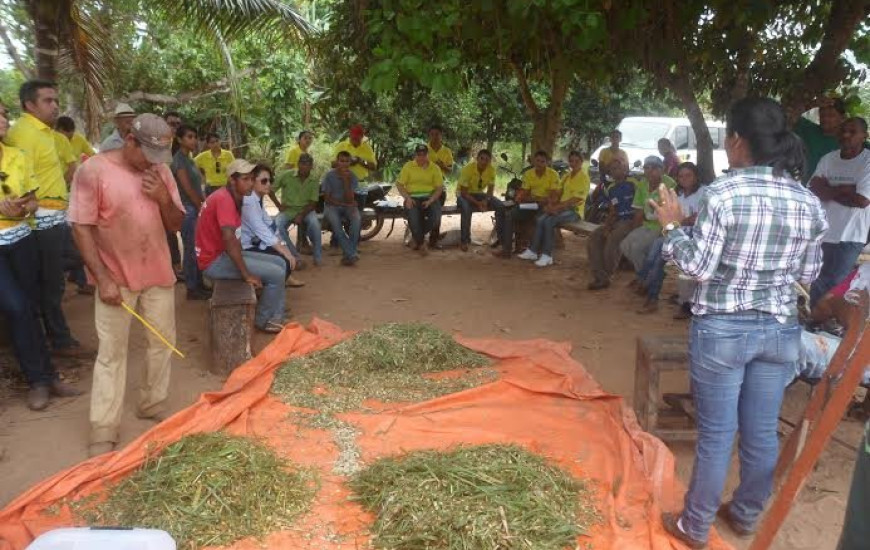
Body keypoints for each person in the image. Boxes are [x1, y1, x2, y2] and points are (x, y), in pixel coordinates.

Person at [650, 97, 828, 549]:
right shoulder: (807, 200)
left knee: (716, 434)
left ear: (735, 141)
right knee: (761, 432)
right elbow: (809, 273)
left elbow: (697, 268)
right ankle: (746, 514)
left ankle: (694, 526)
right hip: (780, 330)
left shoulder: (723, 194)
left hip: (723, 330)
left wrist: (671, 228)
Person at [69, 114, 184, 457]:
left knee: (162, 342)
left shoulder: (161, 172)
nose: (154, 163)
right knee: (111, 354)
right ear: (130, 141)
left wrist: (163, 198)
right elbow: (81, 227)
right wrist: (102, 278)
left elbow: (176, 224)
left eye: (159, 157)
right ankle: (104, 426)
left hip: (158, 274)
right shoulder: (93, 171)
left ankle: (152, 403)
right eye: (149, 154)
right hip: (115, 279)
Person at [0, 103, 81, 411]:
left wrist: (22, 208)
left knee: (32, 308)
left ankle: (48, 378)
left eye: (4, 113)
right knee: (17, 307)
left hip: (22, 239)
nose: (3, 119)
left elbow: (33, 202)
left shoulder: (16, 156)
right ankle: (37, 379)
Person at [5, 80, 87, 357]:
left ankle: (54, 335)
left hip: (55, 216)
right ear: (29, 105)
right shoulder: (23, 134)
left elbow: (65, 168)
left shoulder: (46, 133)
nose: (55, 106)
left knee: (58, 274)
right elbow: (16, 180)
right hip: (38, 219)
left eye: (56, 100)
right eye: (47, 101)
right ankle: (59, 340)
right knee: (51, 282)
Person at [195, 158, 288, 333]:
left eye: (252, 179)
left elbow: (233, 240)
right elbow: (229, 239)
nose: (250, 183)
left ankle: (276, 314)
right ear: (232, 180)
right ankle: (263, 320)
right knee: (276, 273)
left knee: (280, 263)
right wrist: (246, 274)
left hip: (222, 254)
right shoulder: (225, 199)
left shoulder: (232, 197)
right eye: (245, 179)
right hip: (213, 261)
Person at [808, 117, 870, 306]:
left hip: (850, 235)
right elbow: (813, 189)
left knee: (834, 283)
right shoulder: (828, 159)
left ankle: (827, 319)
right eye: (843, 130)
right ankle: (817, 319)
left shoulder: (867, 161)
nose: (846, 135)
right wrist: (845, 190)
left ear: (864, 136)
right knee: (817, 280)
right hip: (823, 232)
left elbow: (862, 200)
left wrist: (828, 189)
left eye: (852, 132)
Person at [632, 162, 702, 314]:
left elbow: (697, 218)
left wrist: (678, 220)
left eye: (688, 175)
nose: (684, 179)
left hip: (695, 236)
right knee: (653, 255)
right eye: (681, 176)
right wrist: (675, 220)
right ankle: (646, 285)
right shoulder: (677, 194)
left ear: (696, 176)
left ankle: (650, 294)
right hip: (675, 232)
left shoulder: (703, 193)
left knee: (658, 260)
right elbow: (667, 214)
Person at [517, 150, 590, 267]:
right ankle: (532, 251)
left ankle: (547, 255)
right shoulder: (567, 176)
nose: (574, 163)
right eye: (571, 161)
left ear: (582, 162)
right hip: (561, 208)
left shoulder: (583, 177)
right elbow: (558, 193)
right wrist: (551, 205)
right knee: (541, 219)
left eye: (577, 161)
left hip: (574, 211)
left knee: (549, 221)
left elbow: (575, 200)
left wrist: (557, 207)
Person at [240, 164, 302, 282]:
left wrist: (284, 245)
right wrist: (285, 252)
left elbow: (271, 226)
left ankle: (280, 281)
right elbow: (262, 231)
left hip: (257, 242)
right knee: (283, 260)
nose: (268, 184)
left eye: (270, 180)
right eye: (264, 181)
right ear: (253, 181)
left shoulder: (257, 199)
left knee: (284, 256)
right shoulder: (249, 201)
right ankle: (271, 285)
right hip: (246, 246)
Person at [170, 124, 210, 300]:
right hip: (188, 210)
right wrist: (200, 206)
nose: (193, 140)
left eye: (195, 137)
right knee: (191, 249)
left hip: (194, 208)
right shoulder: (179, 160)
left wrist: (204, 202)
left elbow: (197, 186)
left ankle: (198, 284)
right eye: (189, 137)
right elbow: (187, 188)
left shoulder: (189, 159)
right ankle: (192, 288)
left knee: (197, 248)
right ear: (179, 140)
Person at [619, 156, 677, 273]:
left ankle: (644, 277)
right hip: (647, 225)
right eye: (646, 167)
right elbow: (639, 210)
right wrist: (634, 230)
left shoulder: (670, 184)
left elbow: (673, 211)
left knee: (636, 249)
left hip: (662, 227)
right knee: (624, 245)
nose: (650, 171)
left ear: (662, 170)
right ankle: (645, 273)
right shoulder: (643, 184)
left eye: (654, 168)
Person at [586, 157, 637, 290]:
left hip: (631, 220)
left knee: (613, 239)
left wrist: (635, 223)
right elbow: (613, 210)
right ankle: (599, 275)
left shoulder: (633, 183)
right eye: (612, 169)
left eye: (618, 167)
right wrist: (607, 226)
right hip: (617, 220)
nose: (615, 171)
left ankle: (607, 275)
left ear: (625, 169)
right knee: (595, 237)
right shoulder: (611, 188)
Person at [503, 150, 560, 256]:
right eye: (537, 161)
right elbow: (524, 192)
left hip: (546, 205)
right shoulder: (528, 174)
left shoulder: (553, 174)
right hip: (532, 204)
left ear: (547, 162)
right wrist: (519, 197)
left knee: (540, 219)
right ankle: (506, 250)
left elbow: (553, 196)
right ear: (533, 161)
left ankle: (536, 250)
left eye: (542, 161)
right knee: (510, 215)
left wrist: (538, 199)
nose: (539, 164)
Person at [272, 153, 322, 266]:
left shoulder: (314, 179)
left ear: (311, 166)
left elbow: (313, 203)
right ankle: (295, 256)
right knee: (277, 225)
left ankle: (318, 257)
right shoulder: (286, 175)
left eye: (308, 164)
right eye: (302, 163)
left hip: (307, 210)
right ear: (298, 164)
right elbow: (270, 190)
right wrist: (278, 205)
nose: (305, 166)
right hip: (288, 210)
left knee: (315, 224)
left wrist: (301, 215)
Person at [456, 149, 508, 254]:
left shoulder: (491, 170)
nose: (484, 162)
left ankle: (500, 238)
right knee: (466, 208)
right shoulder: (468, 169)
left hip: (479, 194)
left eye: (487, 160)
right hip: (463, 194)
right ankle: (464, 241)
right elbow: (464, 193)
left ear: (490, 161)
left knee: (500, 205)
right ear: (477, 159)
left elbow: (490, 190)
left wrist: (486, 201)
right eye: (482, 158)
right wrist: (478, 203)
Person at [397, 143, 443, 254]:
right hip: (412, 197)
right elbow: (399, 184)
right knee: (413, 218)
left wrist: (431, 200)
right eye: (419, 154)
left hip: (429, 197)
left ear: (428, 155)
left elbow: (439, 188)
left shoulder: (435, 168)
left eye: (424, 154)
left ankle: (416, 237)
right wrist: (407, 198)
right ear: (415, 155)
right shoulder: (408, 166)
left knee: (436, 218)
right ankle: (422, 243)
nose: (421, 157)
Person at [322, 151, 362, 266]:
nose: (344, 164)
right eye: (342, 161)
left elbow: (350, 199)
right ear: (337, 162)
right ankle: (351, 253)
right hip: (331, 206)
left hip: (348, 205)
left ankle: (348, 255)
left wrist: (345, 181)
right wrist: (343, 204)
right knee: (336, 225)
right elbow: (327, 198)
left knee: (357, 219)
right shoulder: (329, 176)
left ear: (350, 162)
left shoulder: (352, 176)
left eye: (347, 161)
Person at [794, 97, 846, 183]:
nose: (825, 119)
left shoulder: (849, 141)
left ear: (843, 118)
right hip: (803, 188)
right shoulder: (809, 129)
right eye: (822, 115)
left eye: (831, 115)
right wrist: (812, 104)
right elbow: (789, 115)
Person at [426, 124, 454, 247]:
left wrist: (442, 165)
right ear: (429, 135)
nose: (435, 137)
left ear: (441, 136)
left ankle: (433, 239)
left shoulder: (446, 151)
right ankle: (418, 236)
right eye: (432, 134)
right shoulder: (424, 150)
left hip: (439, 185)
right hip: (424, 185)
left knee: (437, 211)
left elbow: (450, 170)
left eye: (437, 134)